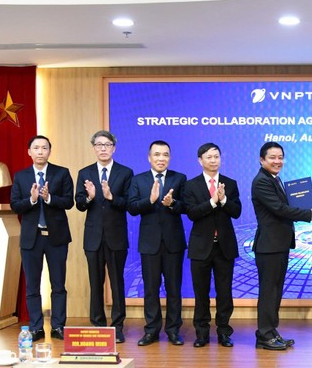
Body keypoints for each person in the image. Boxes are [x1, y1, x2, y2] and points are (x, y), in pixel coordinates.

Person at [251, 141, 312, 351]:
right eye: (272, 157)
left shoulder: (274, 179)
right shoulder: (261, 181)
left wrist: (309, 207)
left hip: (279, 244)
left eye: (280, 157)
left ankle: (271, 331)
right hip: (268, 246)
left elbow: (285, 206)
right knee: (268, 292)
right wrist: (310, 215)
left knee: (275, 291)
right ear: (262, 160)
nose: (277, 161)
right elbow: (279, 209)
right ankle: (264, 335)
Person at [10, 135, 74, 342]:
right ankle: (36, 327)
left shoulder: (61, 173)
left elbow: (69, 202)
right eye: (36, 148)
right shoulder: (21, 176)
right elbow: (15, 205)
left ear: (49, 151)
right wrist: (32, 199)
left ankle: (58, 326)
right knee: (32, 286)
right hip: (32, 238)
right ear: (29, 152)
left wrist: (48, 198)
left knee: (58, 285)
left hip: (56, 237)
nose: (40, 151)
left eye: (44, 148)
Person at [75, 130, 133, 344]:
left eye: (107, 144)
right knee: (95, 282)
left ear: (113, 148)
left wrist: (111, 196)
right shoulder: (85, 172)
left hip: (116, 236)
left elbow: (129, 203)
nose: (103, 148)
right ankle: (98, 326)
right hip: (93, 237)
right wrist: (90, 197)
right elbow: (79, 204)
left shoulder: (125, 172)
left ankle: (117, 327)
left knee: (117, 282)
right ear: (94, 148)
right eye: (99, 145)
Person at [128, 140, 188, 347]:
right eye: (157, 154)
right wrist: (150, 200)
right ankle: (151, 331)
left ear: (169, 157)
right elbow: (132, 208)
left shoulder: (179, 178)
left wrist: (173, 204)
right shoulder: (138, 180)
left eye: (165, 155)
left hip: (173, 243)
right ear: (149, 157)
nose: (161, 158)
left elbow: (186, 207)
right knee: (151, 289)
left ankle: (173, 330)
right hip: (149, 243)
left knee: (174, 289)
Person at [183, 143, 242, 348]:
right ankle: (202, 333)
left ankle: (224, 332)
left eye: (216, 156)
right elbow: (192, 213)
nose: (213, 160)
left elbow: (236, 212)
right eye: (209, 157)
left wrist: (223, 199)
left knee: (224, 293)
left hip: (224, 247)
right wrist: (212, 201)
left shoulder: (230, 183)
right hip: (201, 247)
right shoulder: (191, 185)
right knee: (201, 293)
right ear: (200, 160)